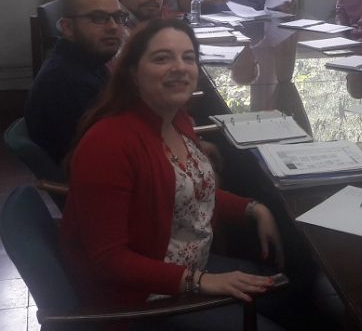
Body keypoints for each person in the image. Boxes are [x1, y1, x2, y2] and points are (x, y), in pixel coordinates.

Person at [59, 19, 287, 330]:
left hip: (191, 268)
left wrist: (253, 208)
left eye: (188, 57)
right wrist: (201, 281)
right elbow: (109, 260)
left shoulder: (175, 118)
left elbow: (190, 192)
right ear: (133, 73)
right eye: (162, 58)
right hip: (141, 300)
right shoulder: (108, 143)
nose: (180, 67)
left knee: (290, 294)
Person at [24, 0, 126, 163]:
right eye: (98, 18)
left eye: (118, 17)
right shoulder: (67, 83)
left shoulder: (89, 58)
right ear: (68, 28)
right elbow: (103, 153)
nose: (113, 27)